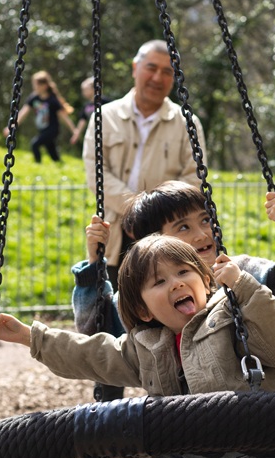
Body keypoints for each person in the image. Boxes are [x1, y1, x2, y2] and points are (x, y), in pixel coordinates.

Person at [0, 234, 275, 396]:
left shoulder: (231, 314)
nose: (176, 283)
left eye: (183, 272)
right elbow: (92, 355)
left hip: (257, 443)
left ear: (206, 281)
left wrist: (244, 286)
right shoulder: (146, 345)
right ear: (143, 311)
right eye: (159, 282)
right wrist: (30, 337)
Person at [71, 181, 275, 338]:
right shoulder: (149, 296)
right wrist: (94, 263)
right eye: (183, 227)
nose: (202, 234)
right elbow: (96, 332)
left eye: (205, 220)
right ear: (153, 243)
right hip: (179, 419)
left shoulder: (246, 274)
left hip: (255, 411)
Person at [82, 40, 205, 287]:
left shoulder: (186, 123)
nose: (158, 78)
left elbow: (194, 178)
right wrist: (132, 210)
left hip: (169, 235)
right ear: (135, 68)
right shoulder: (104, 117)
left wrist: (153, 214)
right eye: (151, 68)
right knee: (114, 310)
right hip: (116, 232)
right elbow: (96, 173)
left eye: (167, 71)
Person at [15, 70, 78, 164]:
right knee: (52, 152)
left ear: (44, 86)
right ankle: (60, 164)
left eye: (37, 84)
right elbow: (23, 112)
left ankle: (38, 165)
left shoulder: (52, 100)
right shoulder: (34, 98)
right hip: (43, 129)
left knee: (35, 144)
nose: (34, 87)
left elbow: (64, 117)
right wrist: (13, 126)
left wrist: (74, 131)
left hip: (52, 129)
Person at [70, 76, 96, 147]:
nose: (83, 92)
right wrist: (76, 135)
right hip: (93, 132)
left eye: (85, 90)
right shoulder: (86, 106)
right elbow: (82, 121)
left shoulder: (106, 102)